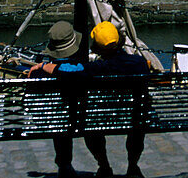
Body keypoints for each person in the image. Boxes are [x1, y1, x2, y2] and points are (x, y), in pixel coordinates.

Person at [32, 21, 153, 178]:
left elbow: (71, 74)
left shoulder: (97, 68)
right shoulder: (140, 63)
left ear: (97, 47)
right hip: (134, 118)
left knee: (91, 124)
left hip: (101, 119)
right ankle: (133, 166)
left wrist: (45, 67)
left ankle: (104, 166)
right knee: (138, 121)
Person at [28, 21, 86, 178]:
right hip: (85, 118)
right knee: (71, 115)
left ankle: (64, 164)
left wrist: (42, 67)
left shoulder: (38, 74)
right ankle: (104, 164)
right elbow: (74, 73)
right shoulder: (85, 69)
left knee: (59, 119)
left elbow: (30, 101)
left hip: (54, 120)